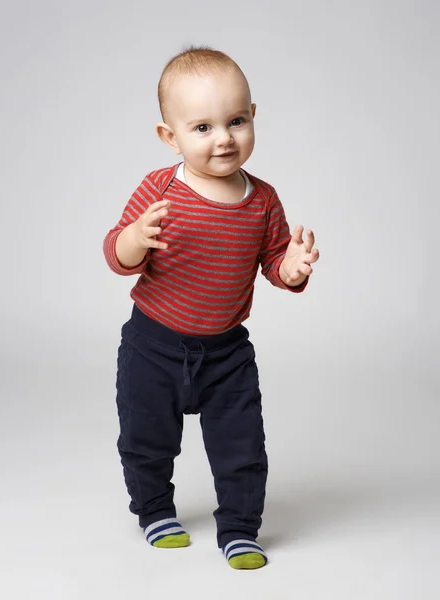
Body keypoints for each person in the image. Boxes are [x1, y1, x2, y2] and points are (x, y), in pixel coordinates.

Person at [103, 45, 320, 570]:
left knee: (243, 445)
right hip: (154, 344)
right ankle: (155, 509)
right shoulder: (161, 188)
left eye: (236, 121)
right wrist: (134, 238)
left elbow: (271, 261)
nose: (224, 138)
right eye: (202, 127)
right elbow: (117, 254)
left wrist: (289, 271)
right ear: (169, 136)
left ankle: (240, 528)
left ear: (252, 119)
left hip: (226, 353)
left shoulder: (262, 198)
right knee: (146, 437)